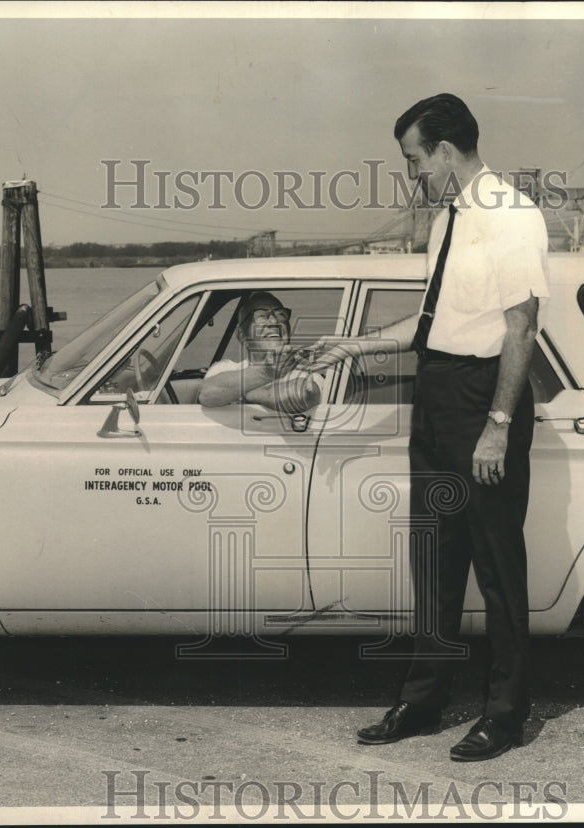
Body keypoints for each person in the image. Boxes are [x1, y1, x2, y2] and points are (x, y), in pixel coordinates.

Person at [311, 93, 549, 761]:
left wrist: (499, 424)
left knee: (497, 566)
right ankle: (424, 699)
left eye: (415, 160)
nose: (413, 173)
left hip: (483, 399)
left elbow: (520, 328)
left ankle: (505, 713)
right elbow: (431, 324)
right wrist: (353, 347)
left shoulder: (512, 216)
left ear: (445, 151)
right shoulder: (449, 219)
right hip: (439, 390)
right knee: (435, 557)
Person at [197, 291, 322, 412]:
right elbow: (207, 394)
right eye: (261, 316)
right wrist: (265, 372)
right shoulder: (224, 369)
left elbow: (304, 395)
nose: (274, 322)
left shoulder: (307, 372)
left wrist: (248, 393)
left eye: (281, 315)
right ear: (242, 335)